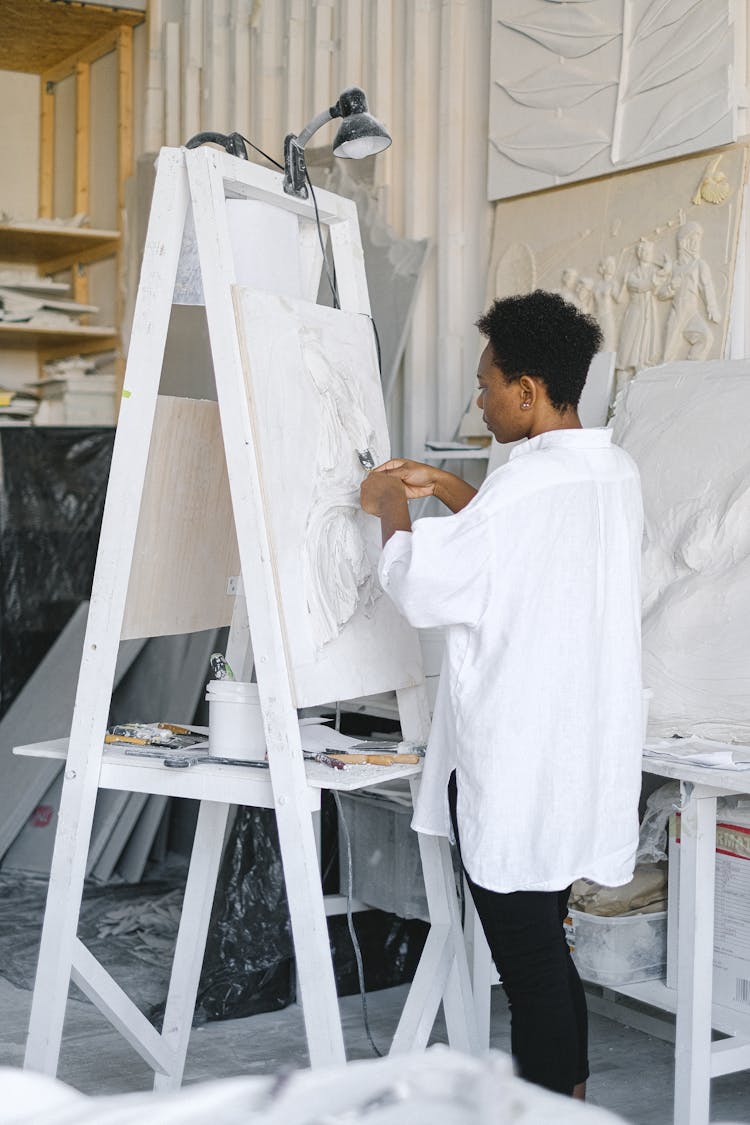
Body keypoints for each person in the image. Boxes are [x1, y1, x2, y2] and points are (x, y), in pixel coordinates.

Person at [360, 290, 643, 1099]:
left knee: (529, 970)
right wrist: (448, 485)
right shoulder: (611, 472)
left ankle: (552, 1113)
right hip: (577, 755)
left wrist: (390, 511)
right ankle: (573, 1106)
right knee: (548, 954)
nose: (478, 399)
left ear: (528, 389)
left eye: (487, 384)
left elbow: (422, 588)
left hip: (518, 760)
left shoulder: (524, 492)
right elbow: (523, 556)